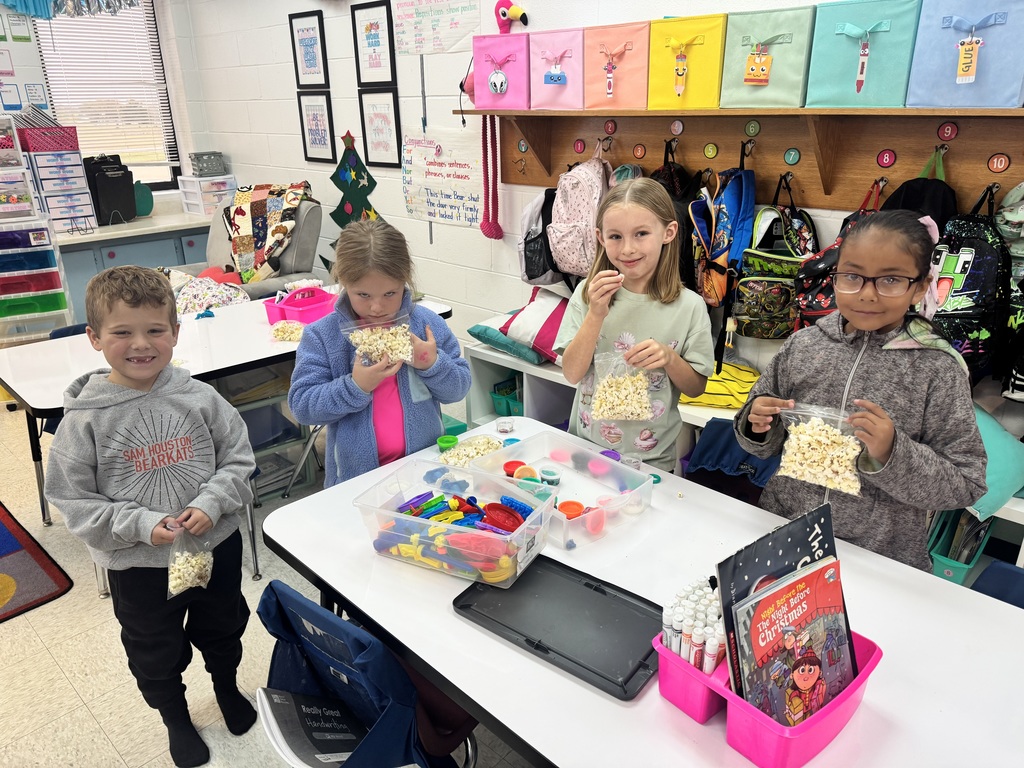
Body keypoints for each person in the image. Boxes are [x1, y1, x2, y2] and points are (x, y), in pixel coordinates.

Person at [44, 265, 257, 768]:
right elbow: (73, 500)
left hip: (214, 545)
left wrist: (210, 502)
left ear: (175, 333)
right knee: (154, 647)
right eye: (122, 332)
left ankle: (226, 688)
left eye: (155, 330)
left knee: (223, 626)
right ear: (95, 338)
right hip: (138, 564)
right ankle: (175, 718)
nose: (141, 344)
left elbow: (239, 458)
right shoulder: (83, 422)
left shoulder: (200, 396)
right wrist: (140, 525)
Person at [734, 210, 987, 570]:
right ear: (833, 277)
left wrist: (891, 452)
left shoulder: (937, 368)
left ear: (919, 285)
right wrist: (756, 423)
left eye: (891, 280)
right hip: (784, 532)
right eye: (852, 276)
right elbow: (761, 443)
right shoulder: (803, 346)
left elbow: (966, 483)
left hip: (880, 557)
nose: (867, 294)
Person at [289, 218, 471, 486]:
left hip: (423, 471)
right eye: (363, 295)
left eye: (390, 293)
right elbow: (302, 406)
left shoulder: (426, 325)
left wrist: (432, 363)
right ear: (343, 283)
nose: (377, 307)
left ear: (405, 281)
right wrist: (355, 387)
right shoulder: (323, 336)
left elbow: (458, 389)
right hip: (355, 480)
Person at [554, 177, 714, 473]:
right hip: (586, 448)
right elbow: (572, 373)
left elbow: (696, 388)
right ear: (600, 237)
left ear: (668, 232)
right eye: (615, 237)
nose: (627, 249)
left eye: (641, 234)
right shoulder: (588, 293)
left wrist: (669, 358)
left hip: (653, 462)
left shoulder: (690, 307)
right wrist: (595, 314)